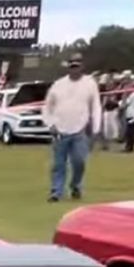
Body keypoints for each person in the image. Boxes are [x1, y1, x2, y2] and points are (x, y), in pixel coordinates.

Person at [43, 55, 101, 203]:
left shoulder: (89, 84)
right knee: (58, 164)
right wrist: (50, 124)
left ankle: (75, 186)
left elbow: (96, 107)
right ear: (68, 67)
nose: (74, 69)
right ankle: (56, 191)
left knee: (79, 162)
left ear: (82, 67)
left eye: (77, 66)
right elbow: (47, 106)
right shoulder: (58, 84)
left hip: (80, 129)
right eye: (72, 66)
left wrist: (96, 128)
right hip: (60, 129)